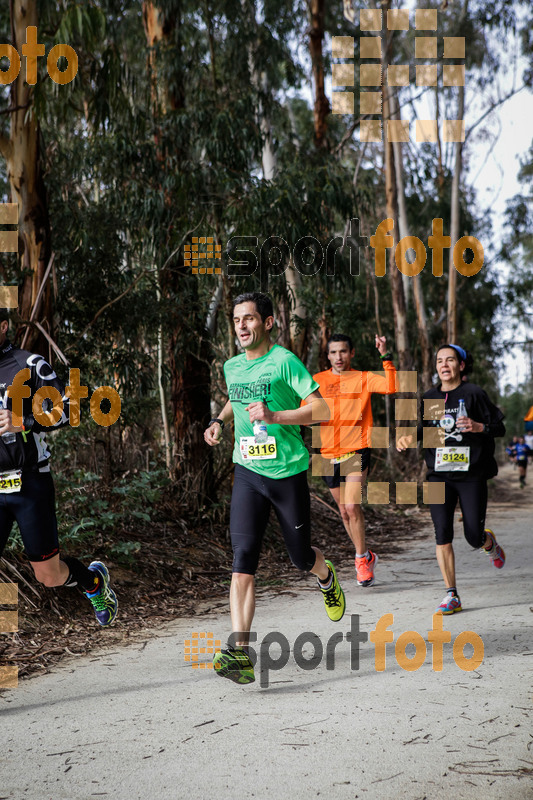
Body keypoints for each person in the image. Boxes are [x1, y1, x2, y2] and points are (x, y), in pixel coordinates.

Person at [204, 292, 345, 685]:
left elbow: (321, 409)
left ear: (267, 322)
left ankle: (325, 575)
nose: (242, 326)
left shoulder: (285, 361)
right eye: (236, 320)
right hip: (248, 471)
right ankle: (240, 651)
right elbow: (237, 398)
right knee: (242, 559)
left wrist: (275, 415)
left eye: (249, 319)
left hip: (286, 472)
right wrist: (218, 420)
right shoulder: (232, 366)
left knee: (300, 558)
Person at [0, 310, 118, 627]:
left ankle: (93, 582)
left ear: (3, 326)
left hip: (30, 484)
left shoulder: (29, 365)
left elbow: (68, 412)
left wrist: (21, 421)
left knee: (49, 576)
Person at [397, 344, 506, 615]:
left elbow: (499, 427)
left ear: (461, 365)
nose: (444, 364)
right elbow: (426, 430)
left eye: (450, 360)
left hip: (471, 476)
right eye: (439, 361)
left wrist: (480, 427)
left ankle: (487, 542)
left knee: (472, 536)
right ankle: (452, 594)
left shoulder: (474, 394)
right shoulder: (431, 397)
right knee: (442, 533)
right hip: (438, 475)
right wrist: (409, 438)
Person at [311, 333, 396, 586]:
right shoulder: (317, 381)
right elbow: (303, 407)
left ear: (352, 353)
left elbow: (391, 386)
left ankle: (360, 560)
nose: (339, 357)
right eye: (334, 352)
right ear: (328, 356)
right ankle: (367, 555)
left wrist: (385, 355)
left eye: (343, 352)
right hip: (326, 452)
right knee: (343, 512)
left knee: (351, 507)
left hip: (357, 448)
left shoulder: (363, 378)